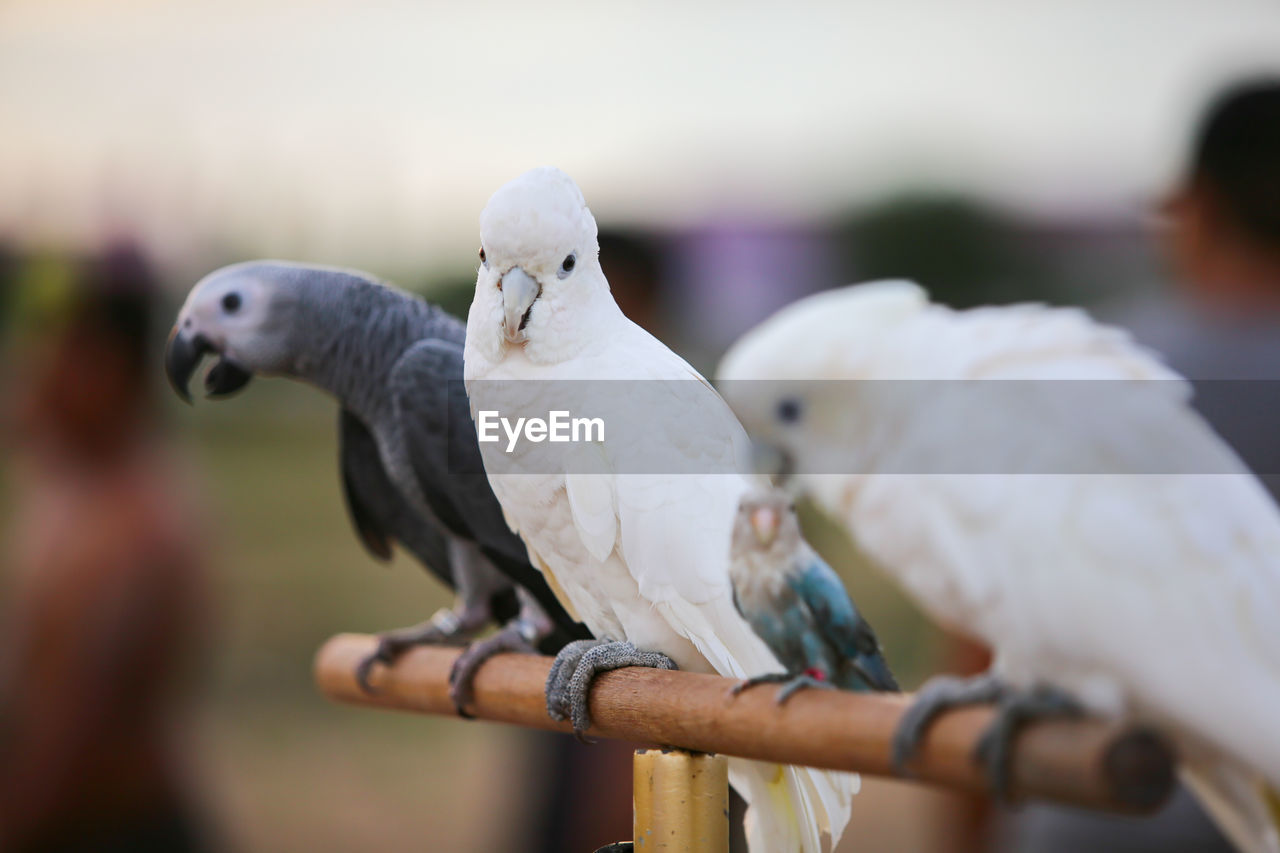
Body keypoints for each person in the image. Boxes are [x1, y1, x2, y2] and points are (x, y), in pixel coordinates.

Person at [0, 247, 217, 852]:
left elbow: (74, 745)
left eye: (50, 354)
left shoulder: (137, 529)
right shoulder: (68, 486)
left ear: (106, 371)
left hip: (114, 830)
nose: (28, 372)